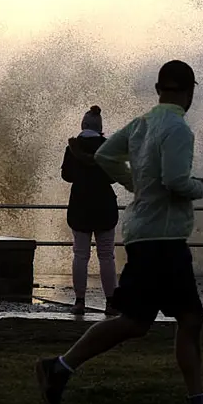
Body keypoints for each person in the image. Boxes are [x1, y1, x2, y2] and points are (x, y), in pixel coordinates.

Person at [35, 60, 203, 404]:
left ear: (160, 88)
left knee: (155, 320)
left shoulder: (141, 124)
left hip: (144, 234)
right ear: (188, 90)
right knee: (166, 319)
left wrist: (134, 184)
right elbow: (177, 181)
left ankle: (63, 368)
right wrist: (201, 187)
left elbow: (103, 156)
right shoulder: (178, 128)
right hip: (163, 238)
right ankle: (62, 367)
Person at [61, 105, 120, 316]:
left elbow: (66, 176)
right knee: (106, 256)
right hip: (104, 206)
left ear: (83, 125)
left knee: (80, 255)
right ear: (100, 127)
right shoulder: (107, 146)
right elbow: (114, 177)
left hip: (80, 206)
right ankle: (111, 302)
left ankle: (79, 301)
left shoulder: (73, 148)